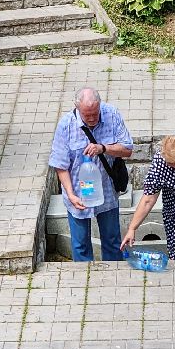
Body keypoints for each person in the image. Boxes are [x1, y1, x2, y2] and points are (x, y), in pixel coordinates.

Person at [48, 88, 134, 262]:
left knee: (112, 241)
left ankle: (113, 278)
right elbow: (60, 165)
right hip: (78, 195)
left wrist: (103, 148)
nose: (93, 119)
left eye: (95, 113)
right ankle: (84, 281)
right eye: (87, 116)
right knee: (80, 244)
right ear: (77, 108)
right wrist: (71, 194)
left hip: (107, 191)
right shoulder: (66, 125)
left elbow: (127, 149)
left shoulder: (111, 114)